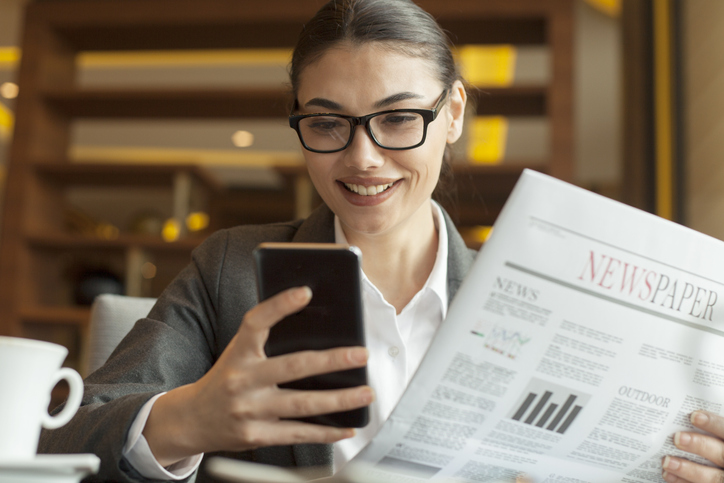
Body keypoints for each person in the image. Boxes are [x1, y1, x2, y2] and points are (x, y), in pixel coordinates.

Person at [37, 1, 724, 482]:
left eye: (398, 119)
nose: (363, 158)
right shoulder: (232, 270)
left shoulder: (534, 294)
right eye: (329, 123)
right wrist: (192, 417)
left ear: (452, 113)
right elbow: (61, 435)